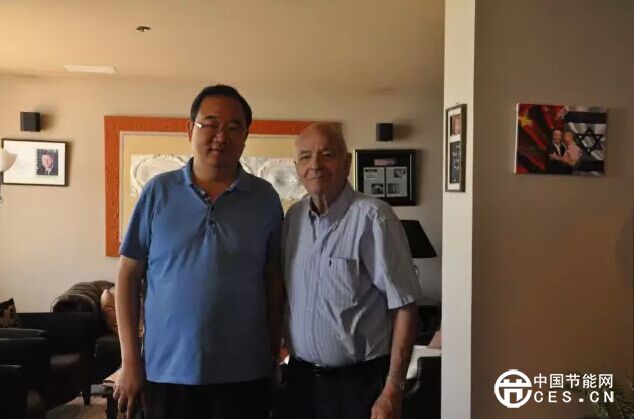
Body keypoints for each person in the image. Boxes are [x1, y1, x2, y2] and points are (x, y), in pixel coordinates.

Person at [113, 85, 284, 419]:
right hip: (167, 371)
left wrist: (274, 354)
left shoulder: (265, 198)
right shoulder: (158, 192)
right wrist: (130, 360)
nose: (221, 136)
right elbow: (128, 277)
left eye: (233, 127)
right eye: (211, 124)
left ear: (245, 137)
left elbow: (274, 283)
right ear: (190, 129)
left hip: (245, 371)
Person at [282, 122, 419, 419]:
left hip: (359, 386)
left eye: (327, 154)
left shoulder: (374, 218)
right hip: (301, 383)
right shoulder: (293, 219)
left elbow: (405, 307)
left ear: (347, 163)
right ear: (297, 168)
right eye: (305, 157)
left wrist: (393, 390)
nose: (315, 165)